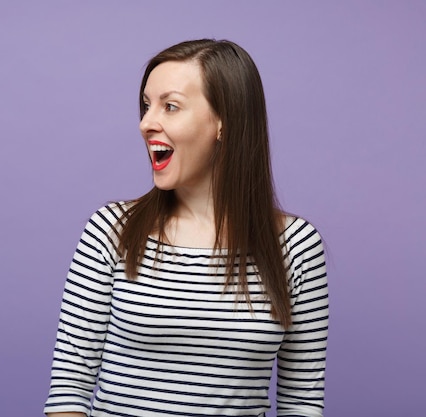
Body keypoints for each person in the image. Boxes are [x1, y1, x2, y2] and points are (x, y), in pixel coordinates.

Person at [43, 39, 328, 417]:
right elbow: (68, 388)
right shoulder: (112, 230)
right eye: (146, 106)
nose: (146, 123)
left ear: (224, 122)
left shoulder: (296, 246)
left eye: (170, 106)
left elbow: (302, 404)